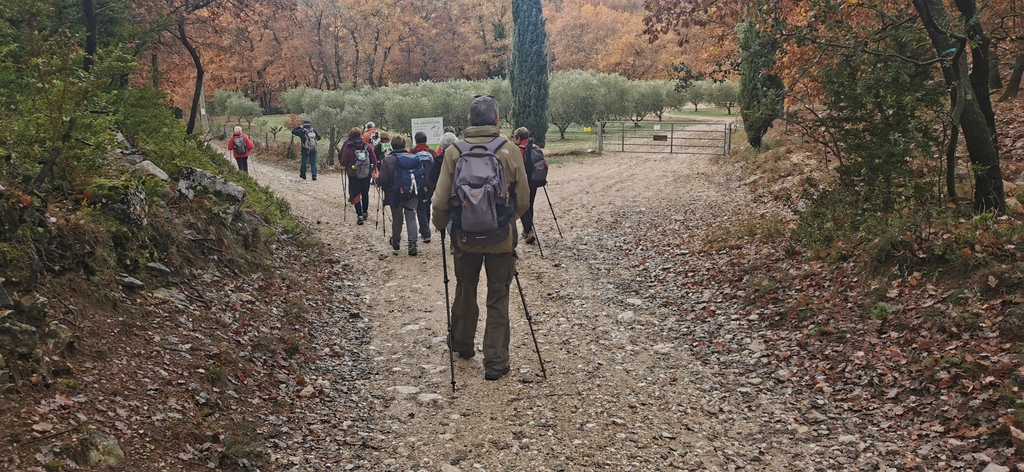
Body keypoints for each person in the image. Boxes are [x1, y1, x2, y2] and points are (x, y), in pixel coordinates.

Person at [431, 95, 529, 381]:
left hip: (465, 239)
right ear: (497, 120)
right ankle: (496, 362)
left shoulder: (454, 152)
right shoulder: (509, 150)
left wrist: (441, 226)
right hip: (501, 239)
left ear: (470, 121)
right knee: (498, 297)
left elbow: (440, 201)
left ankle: (462, 345)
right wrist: (509, 219)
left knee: (465, 289)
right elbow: (523, 199)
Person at [376, 135, 420, 256]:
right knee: (411, 218)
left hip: (395, 194)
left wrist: (377, 181)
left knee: (397, 219)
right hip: (411, 192)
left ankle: (396, 241)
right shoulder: (412, 157)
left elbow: (383, 179)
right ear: (404, 145)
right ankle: (412, 244)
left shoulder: (388, 160)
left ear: (392, 145)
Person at [339, 127, 378, 225]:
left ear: (350, 135)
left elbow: (343, 161)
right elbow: (374, 159)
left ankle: (359, 215)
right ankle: (365, 212)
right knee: (365, 193)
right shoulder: (367, 146)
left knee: (356, 194)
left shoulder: (348, 146)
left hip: (353, 174)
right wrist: (370, 170)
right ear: (360, 135)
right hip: (366, 174)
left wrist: (347, 166)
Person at [514, 127, 542, 244]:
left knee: (522, 205)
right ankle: (527, 230)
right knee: (530, 204)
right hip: (535, 181)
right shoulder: (536, 147)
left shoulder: (518, 149)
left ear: (518, 138)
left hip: (523, 182)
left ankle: (529, 230)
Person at [411, 132, 435, 243]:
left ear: (416, 141)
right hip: (431, 184)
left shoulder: (412, 152)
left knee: (420, 208)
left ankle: (425, 232)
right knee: (427, 205)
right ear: (426, 140)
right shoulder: (432, 152)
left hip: (418, 183)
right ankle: (426, 228)